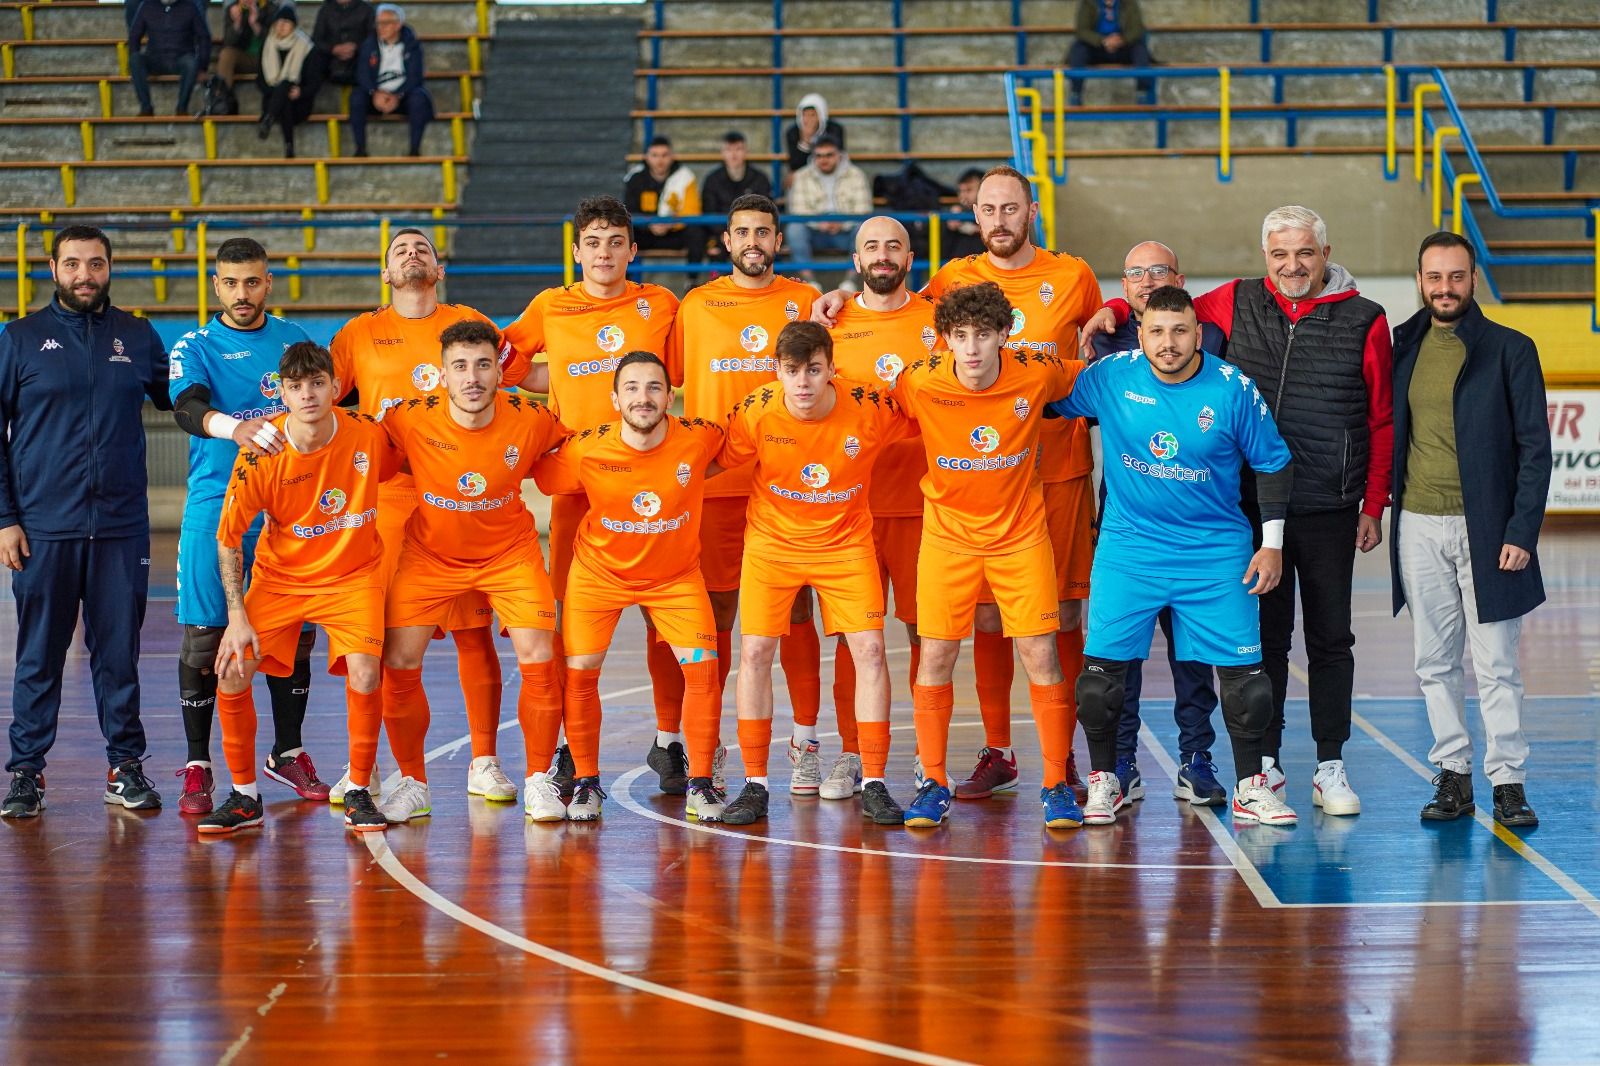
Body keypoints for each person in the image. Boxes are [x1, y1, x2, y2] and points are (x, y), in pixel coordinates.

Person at [1089, 204, 1392, 818]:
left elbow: (1383, 417)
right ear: (1265, 258)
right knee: (1263, 644)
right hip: (1251, 512)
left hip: (1330, 506)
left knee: (1332, 638)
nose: (1292, 265)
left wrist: (1374, 499)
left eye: (1304, 252)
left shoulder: (1365, 317)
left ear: (1325, 255)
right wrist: (1120, 308)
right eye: (1280, 254)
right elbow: (1167, 312)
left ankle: (1330, 762)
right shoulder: (1234, 300)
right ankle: (1267, 768)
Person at [813, 167, 1102, 805]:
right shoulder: (936, 334)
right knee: (963, 631)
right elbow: (869, 388)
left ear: (1031, 210)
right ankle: (971, 760)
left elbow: (1103, 368)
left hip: (1048, 478)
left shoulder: (1067, 288)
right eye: (987, 209)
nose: (999, 219)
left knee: (1057, 628)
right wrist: (834, 301)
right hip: (946, 515)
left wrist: (1122, 313)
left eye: (1011, 208)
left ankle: (1070, 767)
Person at [1050, 285, 1298, 826]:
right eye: (1157, 331)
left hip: (1213, 554)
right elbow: (1041, 400)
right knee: (1098, 683)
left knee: (1247, 685)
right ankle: (1105, 781)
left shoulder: (1233, 390)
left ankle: (1251, 786)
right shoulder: (1111, 376)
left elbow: (1275, 463)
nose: (1169, 343)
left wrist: (1271, 544)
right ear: (1139, 334)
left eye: (1180, 331)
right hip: (1129, 551)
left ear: (1199, 333)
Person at [329, 227, 532, 802]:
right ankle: (382, 767)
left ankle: (485, 761)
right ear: (386, 275)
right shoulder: (359, 334)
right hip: (387, 503)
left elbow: (521, 379)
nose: (412, 254)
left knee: (473, 635)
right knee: (383, 642)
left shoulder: (468, 322)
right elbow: (320, 400)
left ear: (439, 269)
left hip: (462, 499)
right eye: (400, 250)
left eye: (423, 248)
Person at [502, 195, 686, 796]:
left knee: (666, 623)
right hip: (578, 488)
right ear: (576, 251)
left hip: (650, 486)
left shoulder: (660, 304)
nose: (604, 253)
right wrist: (548, 381)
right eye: (593, 243)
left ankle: (671, 740)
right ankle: (565, 750)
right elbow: (507, 360)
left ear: (633, 250)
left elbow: (686, 367)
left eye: (615, 242)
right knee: (569, 635)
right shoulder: (551, 306)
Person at [887, 283, 1083, 830]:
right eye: (960, 336)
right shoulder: (921, 381)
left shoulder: (1037, 373)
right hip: (947, 539)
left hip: (1021, 537)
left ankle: (1055, 785)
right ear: (944, 339)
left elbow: (1095, 376)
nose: (971, 349)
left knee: (1040, 657)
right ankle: (932, 782)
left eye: (982, 335)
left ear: (1004, 334)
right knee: (935, 658)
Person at [0, 226, 170, 820]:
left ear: (109, 269)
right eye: (73, 264)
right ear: (53, 268)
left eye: (95, 264)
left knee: (118, 654)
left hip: (121, 526)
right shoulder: (19, 339)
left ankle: (125, 767)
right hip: (43, 528)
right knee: (40, 655)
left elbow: (185, 399)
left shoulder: (138, 336)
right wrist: (5, 519)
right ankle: (26, 772)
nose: (84, 275)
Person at [200, 343, 400, 834]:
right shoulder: (262, 452)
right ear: (282, 394)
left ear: (336, 387)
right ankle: (245, 796)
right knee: (230, 671)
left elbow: (417, 460)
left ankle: (356, 789)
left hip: (353, 576)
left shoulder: (370, 434)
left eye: (317, 383)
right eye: (296, 386)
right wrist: (237, 619)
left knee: (366, 673)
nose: (308, 394)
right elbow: (228, 541)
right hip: (280, 581)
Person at [718, 321, 912, 826]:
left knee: (870, 648)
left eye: (813, 370)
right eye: (791, 371)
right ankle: (755, 782)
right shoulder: (757, 410)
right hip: (772, 544)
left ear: (831, 369)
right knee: (756, 652)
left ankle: (873, 780)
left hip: (846, 543)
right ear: (776, 371)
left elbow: (929, 412)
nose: (802, 382)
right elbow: (708, 460)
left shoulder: (870, 407)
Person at [376, 321, 568, 825]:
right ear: (441, 375)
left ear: (500, 368)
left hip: (509, 552)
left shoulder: (532, 416)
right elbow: (356, 451)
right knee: (398, 659)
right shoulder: (406, 419)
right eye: (460, 366)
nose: (473, 377)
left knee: (540, 652)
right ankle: (412, 782)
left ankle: (539, 780)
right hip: (430, 554)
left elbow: (575, 452)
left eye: (484, 364)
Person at [1391, 232, 1551, 828]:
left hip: (1489, 532)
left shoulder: (1510, 349)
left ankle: (1508, 781)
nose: (1445, 288)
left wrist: (1521, 531)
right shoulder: (1401, 344)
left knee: (1497, 665)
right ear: (1420, 281)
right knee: (1433, 662)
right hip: (1417, 524)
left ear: (1473, 280)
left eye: (1456, 276)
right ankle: (1453, 776)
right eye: (1435, 277)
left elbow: (1536, 449)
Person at [667, 194, 825, 790]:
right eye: (742, 233)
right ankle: (717, 744)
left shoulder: (804, 300)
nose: (753, 241)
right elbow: (669, 377)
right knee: (719, 617)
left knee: (794, 615)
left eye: (764, 231)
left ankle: (806, 740)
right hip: (715, 485)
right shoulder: (697, 305)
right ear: (726, 243)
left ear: (778, 241)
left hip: (788, 486)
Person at [167, 237, 328, 815]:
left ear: (268, 282)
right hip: (217, 502)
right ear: (217, 286)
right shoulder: (197, 343)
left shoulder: (294, 341)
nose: (242, 293)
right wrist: (233, 428)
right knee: (208, 634)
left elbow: (335, 400)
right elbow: (185, 407)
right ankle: (198, 763)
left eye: (253, 282)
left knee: (295, 636)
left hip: (289, 507)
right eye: (232, 283)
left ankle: (287, 752)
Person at [530, 353, 726, 822]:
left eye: (655, 387)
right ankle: (586, 784)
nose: (644, 397)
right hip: (599, 577)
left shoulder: (699, 438)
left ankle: (700, 783)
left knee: (703, 671)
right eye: (633, 388)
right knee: (580, 674)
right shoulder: (587, 449)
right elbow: (540, 471)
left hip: (675, 579)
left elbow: (737, 447)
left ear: (669, 395)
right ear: (614, 398)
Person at [1089, 240, 1226, 807]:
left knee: (1191, 651)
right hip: (1128, 520)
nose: (1146, 281)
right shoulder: (1105, 338)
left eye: (1158, 271)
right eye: (1134, 274)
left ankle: (1196, 756)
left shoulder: (1208, 333)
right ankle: (1122, 762)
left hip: (1198, 525)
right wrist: (1118, 312)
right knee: (1121, 653)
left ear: (1181, 278)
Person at [823, 216, 936, 801]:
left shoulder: (938, 320)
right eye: (872, 246)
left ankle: (926, 755)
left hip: (923, 508)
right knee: (854, 638)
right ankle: (850, 753)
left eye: (893, 245)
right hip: (852, 511)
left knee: (926, 636)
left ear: (910, 256)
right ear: (857, 256)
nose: (883, 255)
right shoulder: (832, 325)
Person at [785, 135, 872, 291]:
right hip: (815, 232)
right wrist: (820, 223)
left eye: (829, 155)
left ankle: (849, 283)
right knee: (794, 229)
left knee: (864, 228)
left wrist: (842, 223)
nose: (823, 160)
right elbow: (797, 210)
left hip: (846, 232)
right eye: (819, 156)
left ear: (839, 155)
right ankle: (810, 283)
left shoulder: (856, 175)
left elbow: (864, 210)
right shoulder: (801, 176)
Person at [351, 2, 433, 157]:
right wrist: (375, 93)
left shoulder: (412, 45)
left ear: (398, 25)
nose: (380, 27)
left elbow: (416, 76)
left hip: (403, 96)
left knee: (419, 98)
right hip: (376, 96)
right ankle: (360, 149)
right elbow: (362, 74)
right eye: (378, 23)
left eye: (385, 23)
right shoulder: (369, 44)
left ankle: (414, 150)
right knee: (356, 98)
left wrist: (398, 95)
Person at [623, 136, 706, 278]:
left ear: (672, 157)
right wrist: (649, 224)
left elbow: (692, 212)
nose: (660, 160)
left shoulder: (685, 177)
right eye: (655, 155)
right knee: (624, 235)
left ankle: (692, 282)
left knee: (697, 232)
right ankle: (626, 284)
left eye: (664, 155)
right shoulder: (635, 178)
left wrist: (670, 224)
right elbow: (628, 211)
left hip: (674, 233)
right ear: (646, 157)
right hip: (645, 233)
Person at [128, 0, 211, 117]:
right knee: (135, 59)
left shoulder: (190, 6)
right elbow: (134, 35)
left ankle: (182, 109)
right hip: (155, 59)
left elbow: (203, 37)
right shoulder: (147, 5)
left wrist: (203, 67)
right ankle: (146, 108)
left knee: (191, 63)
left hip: (181, 58)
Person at [1067, 0, 1155, 106]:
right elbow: (1082, 30)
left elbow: (1137, 29)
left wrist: (1122, 40)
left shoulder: (1129, 3)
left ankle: (1143, 93)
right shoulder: (1088, 2)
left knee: (1139, 48)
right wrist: (1102, 41)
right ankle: (1076, 93)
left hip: (1123, 46)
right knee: (1079, 48)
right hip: (1096, 47)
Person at [257, 7, 318, 158]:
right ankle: (289, 145)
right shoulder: (267, 44)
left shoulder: (306, 47)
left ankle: (268, 121)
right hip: (272, 98)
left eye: (286, 22)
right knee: (283, 91)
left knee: (285, 88)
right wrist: (278, 92)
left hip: (299, 101)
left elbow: (314, 81)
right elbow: (260, 80)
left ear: (294, 26)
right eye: (278, 22)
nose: (281, 26)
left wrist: (300, 92)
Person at [701, 130, 773, 219]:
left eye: (738, 149)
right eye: (728, 150)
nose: (733, 155)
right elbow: (709, 212)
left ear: (746, 151)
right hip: (720, 231)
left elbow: (765, 211)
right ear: (722, 152)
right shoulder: (711, 180)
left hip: (752, 230)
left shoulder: (760, 179)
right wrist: (722, 232)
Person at [784, 92, 845, 186]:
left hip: (831, 172)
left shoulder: (835, 129)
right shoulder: (793, 132)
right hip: (805, 175)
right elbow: (795, 165)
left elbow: (838, 158)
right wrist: (805, 141)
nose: (808, 120)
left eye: (812, 115)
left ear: (821, 115)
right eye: (805, 115)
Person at [216, 0, 280, 91]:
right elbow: (228, 42)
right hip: (244, 57)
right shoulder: (233, 8)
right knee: (226, 54)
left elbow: (275, 42)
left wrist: (255, 25)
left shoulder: (271, 9)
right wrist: (237, 23)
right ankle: (221, 99)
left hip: (266, 58)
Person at [310, 0, 375, 87]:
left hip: (358, 58)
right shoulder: (326, 9)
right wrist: (333, 49)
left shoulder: (367, 9)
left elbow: (373, 38)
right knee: (315, 57)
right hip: (330, 59)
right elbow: (316, 39)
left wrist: (354, 48)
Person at [942, 167, 986, 261]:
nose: (963, 195)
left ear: (984, 189)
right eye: (961, 191)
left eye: (969, 190)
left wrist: (976, 229)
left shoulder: (994, 213)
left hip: (984, 268)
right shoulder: (955, 213)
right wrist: (949, 227)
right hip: (958, 268)